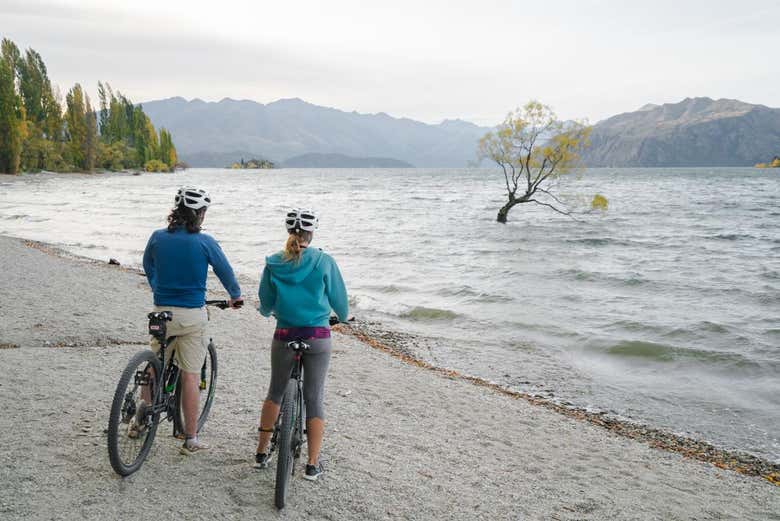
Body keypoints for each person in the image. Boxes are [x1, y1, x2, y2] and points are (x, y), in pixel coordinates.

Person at [141, 186, 243, 455]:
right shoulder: (205, 242)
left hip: (161, 310)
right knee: (190, 374)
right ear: (199, 213)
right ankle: (190, 438)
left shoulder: (157, 237)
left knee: (156, 360)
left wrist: (158, 287)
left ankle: (141, 413)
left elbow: (147, 266)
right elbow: (225, 271)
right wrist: (235, 296)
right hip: (190, 316)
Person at [255, 208, 348, 481]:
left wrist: (267, 311)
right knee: (314, 397)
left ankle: (261, 453)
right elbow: (340, 300)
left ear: (288, 232)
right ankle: (312, 464)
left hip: (284, 333)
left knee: (275, 392)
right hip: (318, 336)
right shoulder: (324, 261)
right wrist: (344, 317)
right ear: (312, 232)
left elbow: (266, 301)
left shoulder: (273, 262)